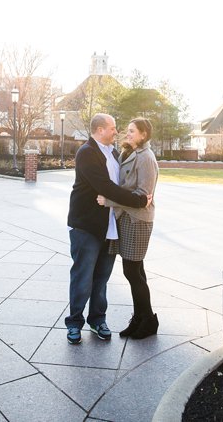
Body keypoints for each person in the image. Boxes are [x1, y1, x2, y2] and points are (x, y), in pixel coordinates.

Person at [65, 113, 150, 345]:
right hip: (87, 226)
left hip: (110, 227)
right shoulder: (86, 153)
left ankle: (97, 320)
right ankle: (74, 323)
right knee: (83, 277)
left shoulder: (114, 153)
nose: (116, 131)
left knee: (102, 278)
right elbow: (105, 187)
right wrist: (139, 200)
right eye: (112, 128)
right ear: (100, 129)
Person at [98, 118, 160, 338]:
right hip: (126, 218)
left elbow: (142, 197)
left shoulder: (146, 158)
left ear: (143, 135)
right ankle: (141, 318)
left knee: (132, 271)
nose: (127, 133)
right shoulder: (126, 153)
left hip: (138, 219)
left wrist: (109, 201)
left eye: (133, 131)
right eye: (128, 130)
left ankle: (148, 320)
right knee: (135, 270)